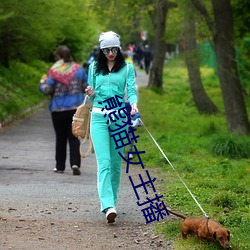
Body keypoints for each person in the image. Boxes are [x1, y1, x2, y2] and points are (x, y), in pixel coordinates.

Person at [85, 31, 138, 223]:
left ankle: (113, 201)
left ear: (119, 48)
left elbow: (131, 90)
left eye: (114, 49)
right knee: (104, 162)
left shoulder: (127, 68)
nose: (110, 53)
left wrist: (133, 104)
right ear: (101, 50)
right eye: (106, 50)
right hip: (98, 118)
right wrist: (90, 92)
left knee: (116, 164)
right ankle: (107, 205)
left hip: (119, 118)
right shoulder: (93, 68)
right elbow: (91, 97)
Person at [39, 45, 88, 175]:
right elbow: (86, 87)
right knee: (74, 137)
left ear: (58, 57)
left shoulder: (54, 71)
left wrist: (42, 83)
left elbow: (47, 90)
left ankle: (60, 166)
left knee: (60, 138)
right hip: (75, 109)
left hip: (58, 109)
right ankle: (75, 163)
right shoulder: (79, 70)